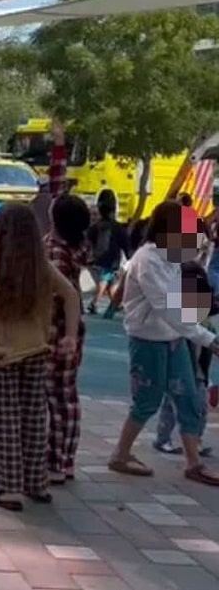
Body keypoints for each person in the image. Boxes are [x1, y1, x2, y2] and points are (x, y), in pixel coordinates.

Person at [0, 203, 81, 511]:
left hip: (3, 354)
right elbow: (72, 295)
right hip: (37, 350)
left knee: (4, 420)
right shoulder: (41, 265)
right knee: (34, 418)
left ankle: (7, 487)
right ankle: (36, 482)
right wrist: (70, 336)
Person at [108, 200, 219, 486]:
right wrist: (208, 339)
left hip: (174, 339)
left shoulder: (172, 257)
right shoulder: (148, 260)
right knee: (147, 399)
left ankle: (193, 462)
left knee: (189, 397)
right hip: (148, 340)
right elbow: (167, 308)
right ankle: (120, 454)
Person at [45, 193, 92, 485]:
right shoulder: (79, 247)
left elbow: (58, 296)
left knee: (54, 398)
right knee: (67, 397)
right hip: (73, 330)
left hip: (55, 331)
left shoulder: (54, 251)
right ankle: (66, 459)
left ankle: (55, 461)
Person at [152, 260, 214, 457]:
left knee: (200, 407)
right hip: (179, 369)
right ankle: (163, 439)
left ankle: (195, 439)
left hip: (199, 371)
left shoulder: (206, 315)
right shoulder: (175, 318)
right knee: (172, 405)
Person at [86, 189, 128, 314]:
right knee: (105, 280)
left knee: (111, 283)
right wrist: (129, 256)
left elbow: (89, 240)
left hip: (98, 258)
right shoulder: (118, 227)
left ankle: (117, 303)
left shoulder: (95, 227)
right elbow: (125, 243)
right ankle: (94, 302)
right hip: (112, 260)